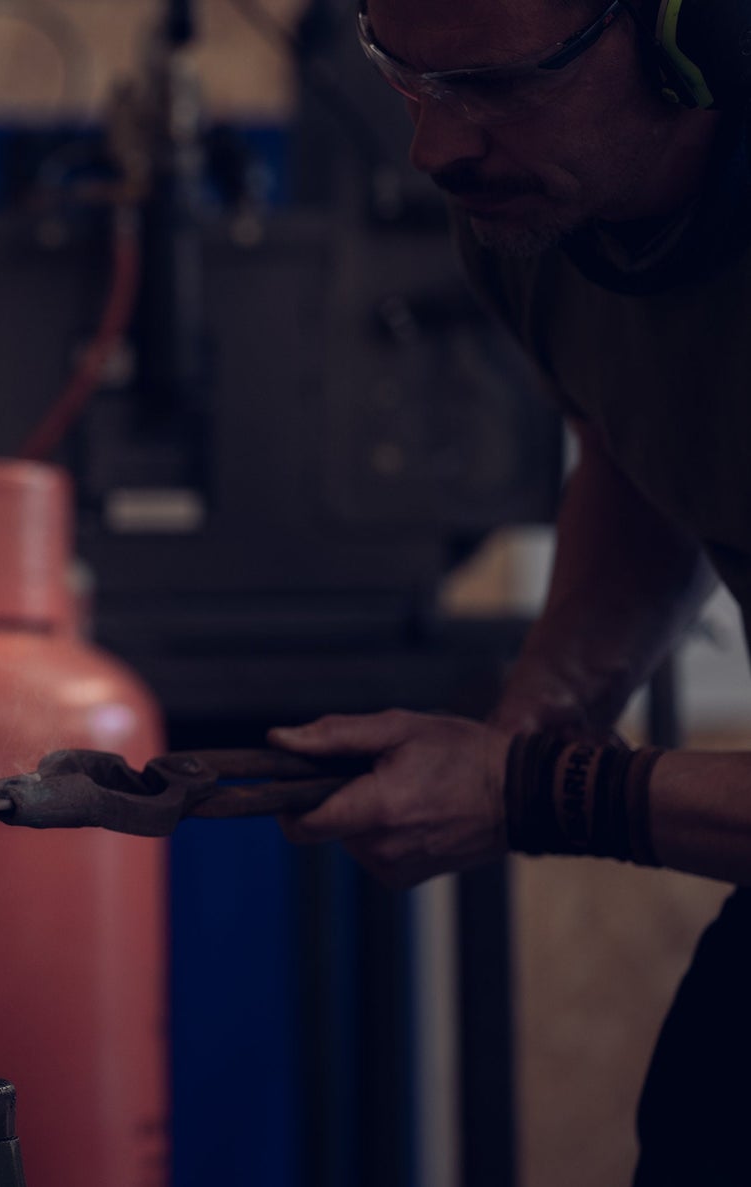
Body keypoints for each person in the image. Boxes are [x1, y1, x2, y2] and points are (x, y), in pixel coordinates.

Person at [269, 0, 751, 1178]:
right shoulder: (529, 216)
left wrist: (538, 790)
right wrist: (528, 731)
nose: (436, 150)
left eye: (496, 87)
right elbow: (636, 445)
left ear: (701, 41)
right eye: (409, 81)